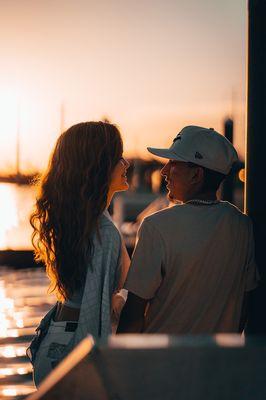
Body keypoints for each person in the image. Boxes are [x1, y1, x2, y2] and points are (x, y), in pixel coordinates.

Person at [117, 125, 259, 335]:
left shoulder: (156, 227)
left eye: (173, 163)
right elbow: (245, 305)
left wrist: (119, 363)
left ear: (196, 175)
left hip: (161, 362)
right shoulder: (242, 225)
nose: (164, 171)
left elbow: (134, 314)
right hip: (219, 361)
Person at [28, 121, 130, 386]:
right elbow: (93, 313)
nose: (126, 164)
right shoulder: (104, 231)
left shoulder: (78, 220)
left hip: (54, 339)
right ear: (100, 166)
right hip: (74, 350)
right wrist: (95, 373)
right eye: (119, 158)